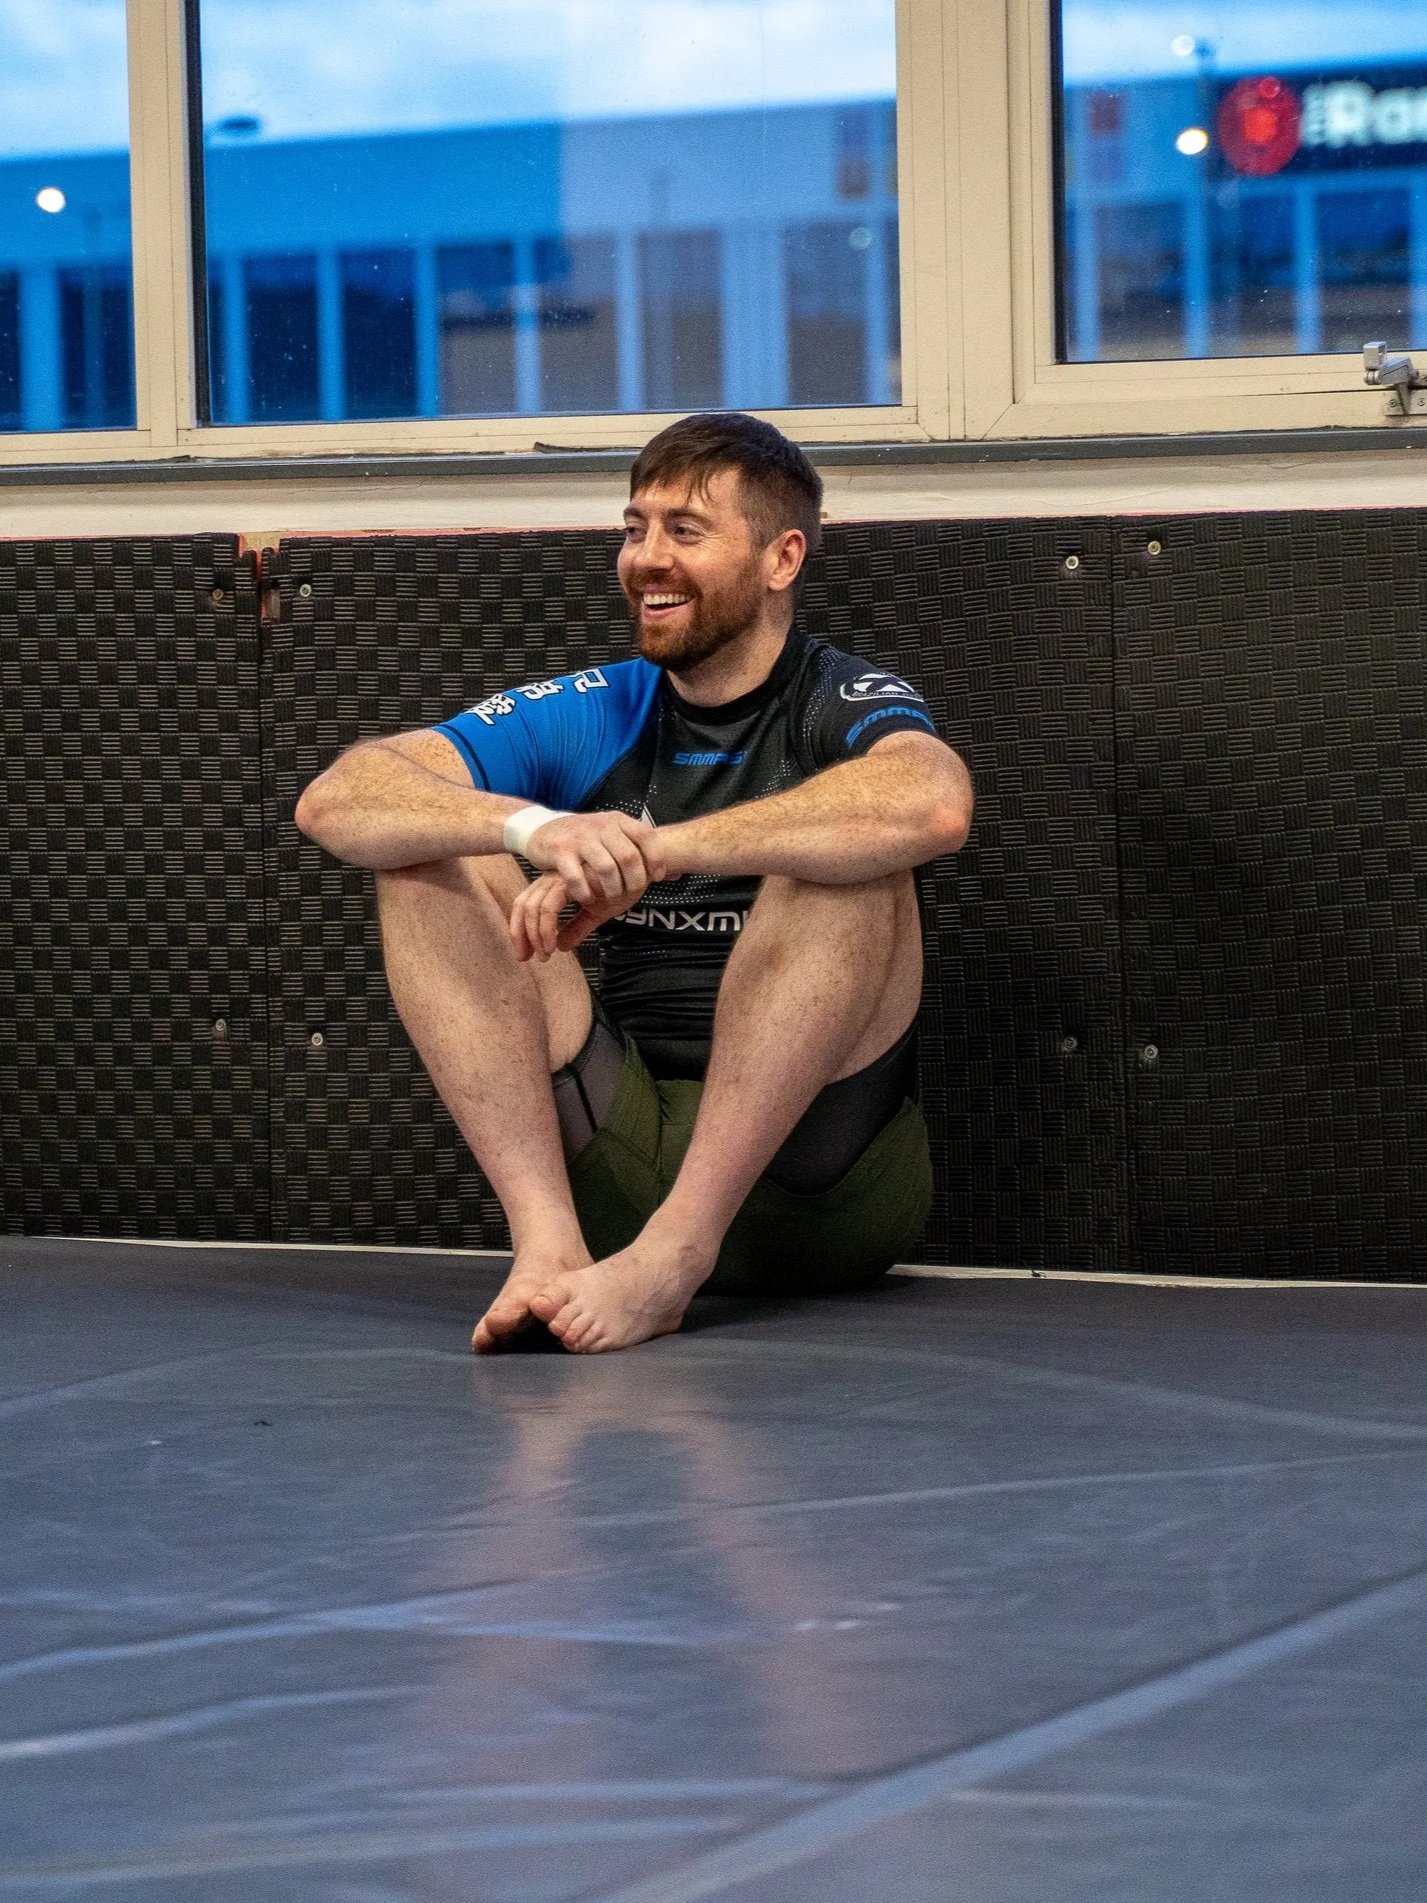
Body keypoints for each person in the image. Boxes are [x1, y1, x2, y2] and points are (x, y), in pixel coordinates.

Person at [294, 412, 973, 1354]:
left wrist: (666, 849)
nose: (646, 558)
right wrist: (533, 826)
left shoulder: (839, 696)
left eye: (684, 532)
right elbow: (337, 800)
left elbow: (936, 804)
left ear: (781, 559)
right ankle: (545, 1250)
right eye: (634, 528)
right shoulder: (601, 706)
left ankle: (680, 1253)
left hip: (823, 1188)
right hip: (624, 1157)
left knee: (848, 860)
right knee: (425, 853)